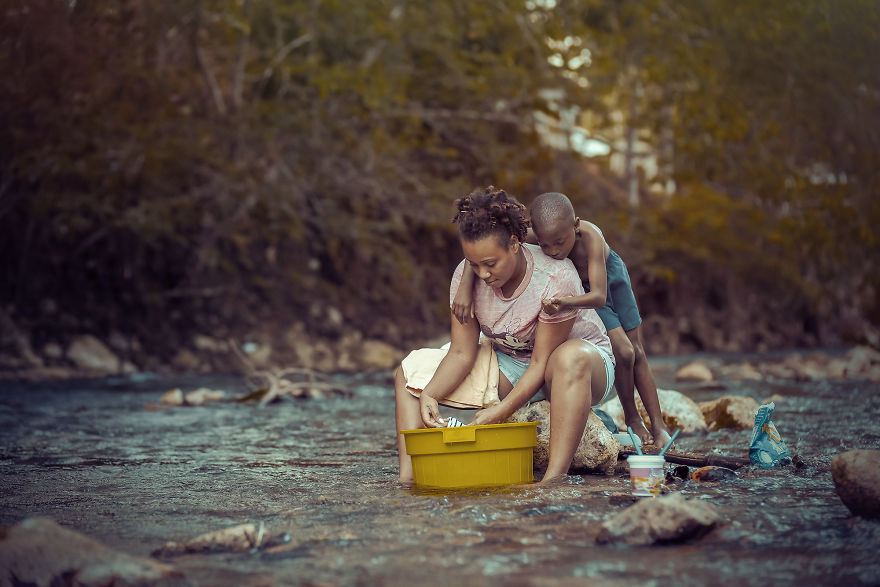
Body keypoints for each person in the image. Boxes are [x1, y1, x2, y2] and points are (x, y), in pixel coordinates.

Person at [395, 186, 617, 485]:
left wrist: (501, 410)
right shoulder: (466, 276)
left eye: (490, 264)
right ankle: (408, 482)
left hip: (580, 365)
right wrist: (430, 395)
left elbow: (541, 363)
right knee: (410, 374)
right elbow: (462, 352)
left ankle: (553, 480)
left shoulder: (555, 276)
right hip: (510, 361)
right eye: (474, 264)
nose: (483, 274)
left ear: (515, 243)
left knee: (567, 358)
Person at [452, 191, 672, 448]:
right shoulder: (530, 235)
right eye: (546, 245)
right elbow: (484, 249)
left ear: (575, 225)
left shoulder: (591, 237)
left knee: (631, 350)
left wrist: (564, 302)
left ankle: (656, 424)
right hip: (574, 289)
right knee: (622, 351)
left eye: (560, 242)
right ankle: (632, 420)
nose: (554, 251)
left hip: (602, 283)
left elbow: (599, 297)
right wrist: (465, 287)